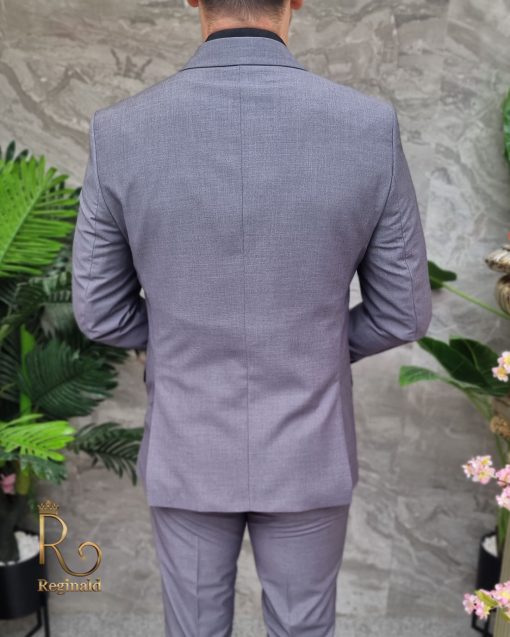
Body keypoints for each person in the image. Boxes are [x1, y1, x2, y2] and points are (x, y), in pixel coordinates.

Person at [71, 0, 433, 634]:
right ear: (296, 1)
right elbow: (402, 311)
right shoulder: (368, 127)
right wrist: (320, 345)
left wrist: (179, 341)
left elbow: (99, 311)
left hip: (188, 444)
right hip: (309, 448)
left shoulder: (119, 131)